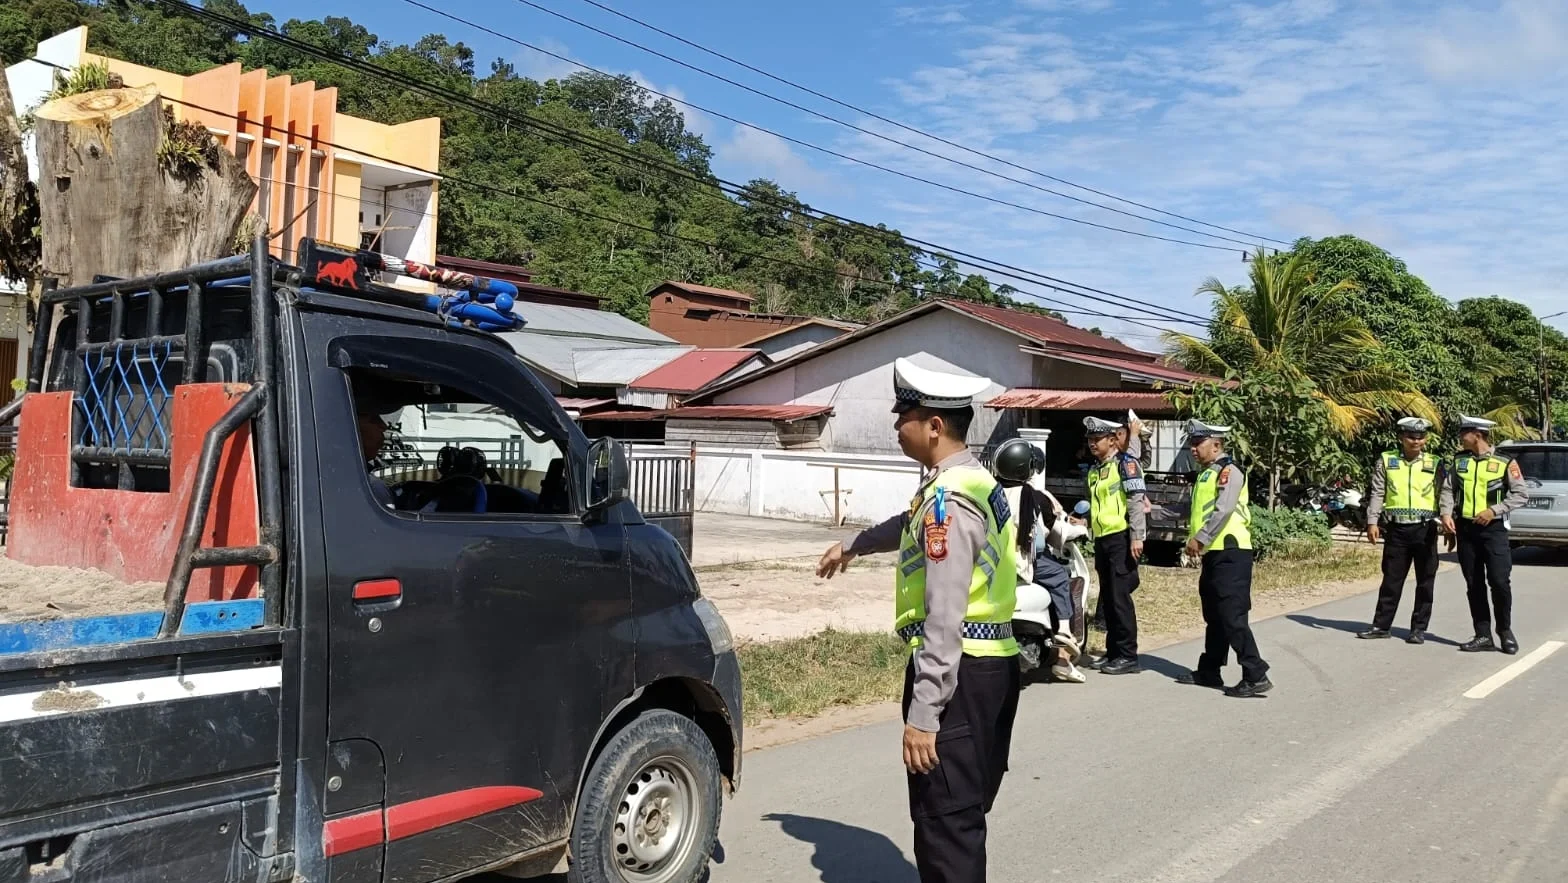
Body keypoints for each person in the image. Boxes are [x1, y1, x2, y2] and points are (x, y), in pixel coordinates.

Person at [816, 357, 1019, 883]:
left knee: (945, 822)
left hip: (959, 676)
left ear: (933, 425)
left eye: (903, 415)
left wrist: (926, 712)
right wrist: (855, 546)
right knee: (963, 811)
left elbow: (945, 618)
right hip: (992, 665)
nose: (895, 426)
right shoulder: (973, 482)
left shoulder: (949, 503)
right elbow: (905, 524)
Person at [1177, 420, 1272, 698]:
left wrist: (1201, 538)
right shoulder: (1207, 473)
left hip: (1231, 551)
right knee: (1215, 615)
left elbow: (1224, 509)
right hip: (1215, 554)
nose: (1193, 449)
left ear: (1216, 444)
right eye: (1192, 443)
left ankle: (1255, 673)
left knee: (1232, 615)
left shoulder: (1229, 471)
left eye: (1199, 443)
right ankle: (1210, 669)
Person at [991, 438, 1085, 684]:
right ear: (1025, 468)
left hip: (995, 564)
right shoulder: (1033, 496)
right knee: (1060, 576)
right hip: (1022, 562)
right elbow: (1051, 532)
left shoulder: (989, 490)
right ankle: (1064, 628)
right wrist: (1081, 530)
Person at [1440, 415, 1530, 654]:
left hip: (1494, 530)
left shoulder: (1504, 462)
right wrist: (1446, 514)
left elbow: (1521, 494)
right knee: (1474, 583)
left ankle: (1505, 631)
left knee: (1500, 582)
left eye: (1463, 433)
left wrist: (1494, 510)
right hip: (1466, 530)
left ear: (1477, 435)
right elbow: (1449, 489)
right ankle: (1483, 635)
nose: (1460, 437)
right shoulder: (1460, 461)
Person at [1358, 417, 1444, 643]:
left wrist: (1447, 522)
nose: (1416, 441)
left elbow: (1443, 494)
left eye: (1421, 437)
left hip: (1425, 530)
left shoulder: (1435, 462)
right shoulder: (1387, 460)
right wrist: (1372, 521)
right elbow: (1378, 492)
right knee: (1391, 580)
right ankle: (1381, 625)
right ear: (1401, 437)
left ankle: (1418, 629)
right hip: (1397, 529)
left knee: (1425, 581)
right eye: (1411, 437)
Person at [1083, 416, 1146, 675]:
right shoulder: (1096, 469)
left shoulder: (1126, 464)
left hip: (1121, 539)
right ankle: (1114, 652)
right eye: (1089, 440)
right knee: (1108, 599)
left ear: (1112, 440)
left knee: (1120, 598)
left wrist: (1137, 536)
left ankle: (1128, 655)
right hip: (1102, 539)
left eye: (1097, 439)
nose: (1092, 444)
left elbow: (1135, 501)